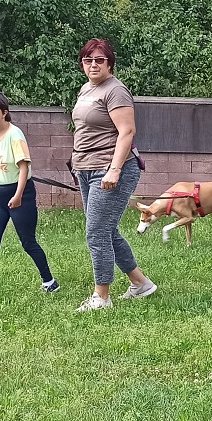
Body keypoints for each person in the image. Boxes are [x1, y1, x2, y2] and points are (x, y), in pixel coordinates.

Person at [71, 38, 158, 311]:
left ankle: (102, 297)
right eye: (88, 60)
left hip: (110, 170)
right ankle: (141, 283)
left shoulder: (116, 91)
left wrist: (115, 170)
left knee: (96, 232)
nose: (93, 65)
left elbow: (127, 132)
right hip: (86, 168)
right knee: (105, 230)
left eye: (100, 60)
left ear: (110, 63)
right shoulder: (86, 89)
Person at [0, 88, 59, 297]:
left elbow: (23, 167)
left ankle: (49, 281)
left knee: (28, 242)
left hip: (20, 195)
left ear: (4, 112)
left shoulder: (14, 134)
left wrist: (18, 195)